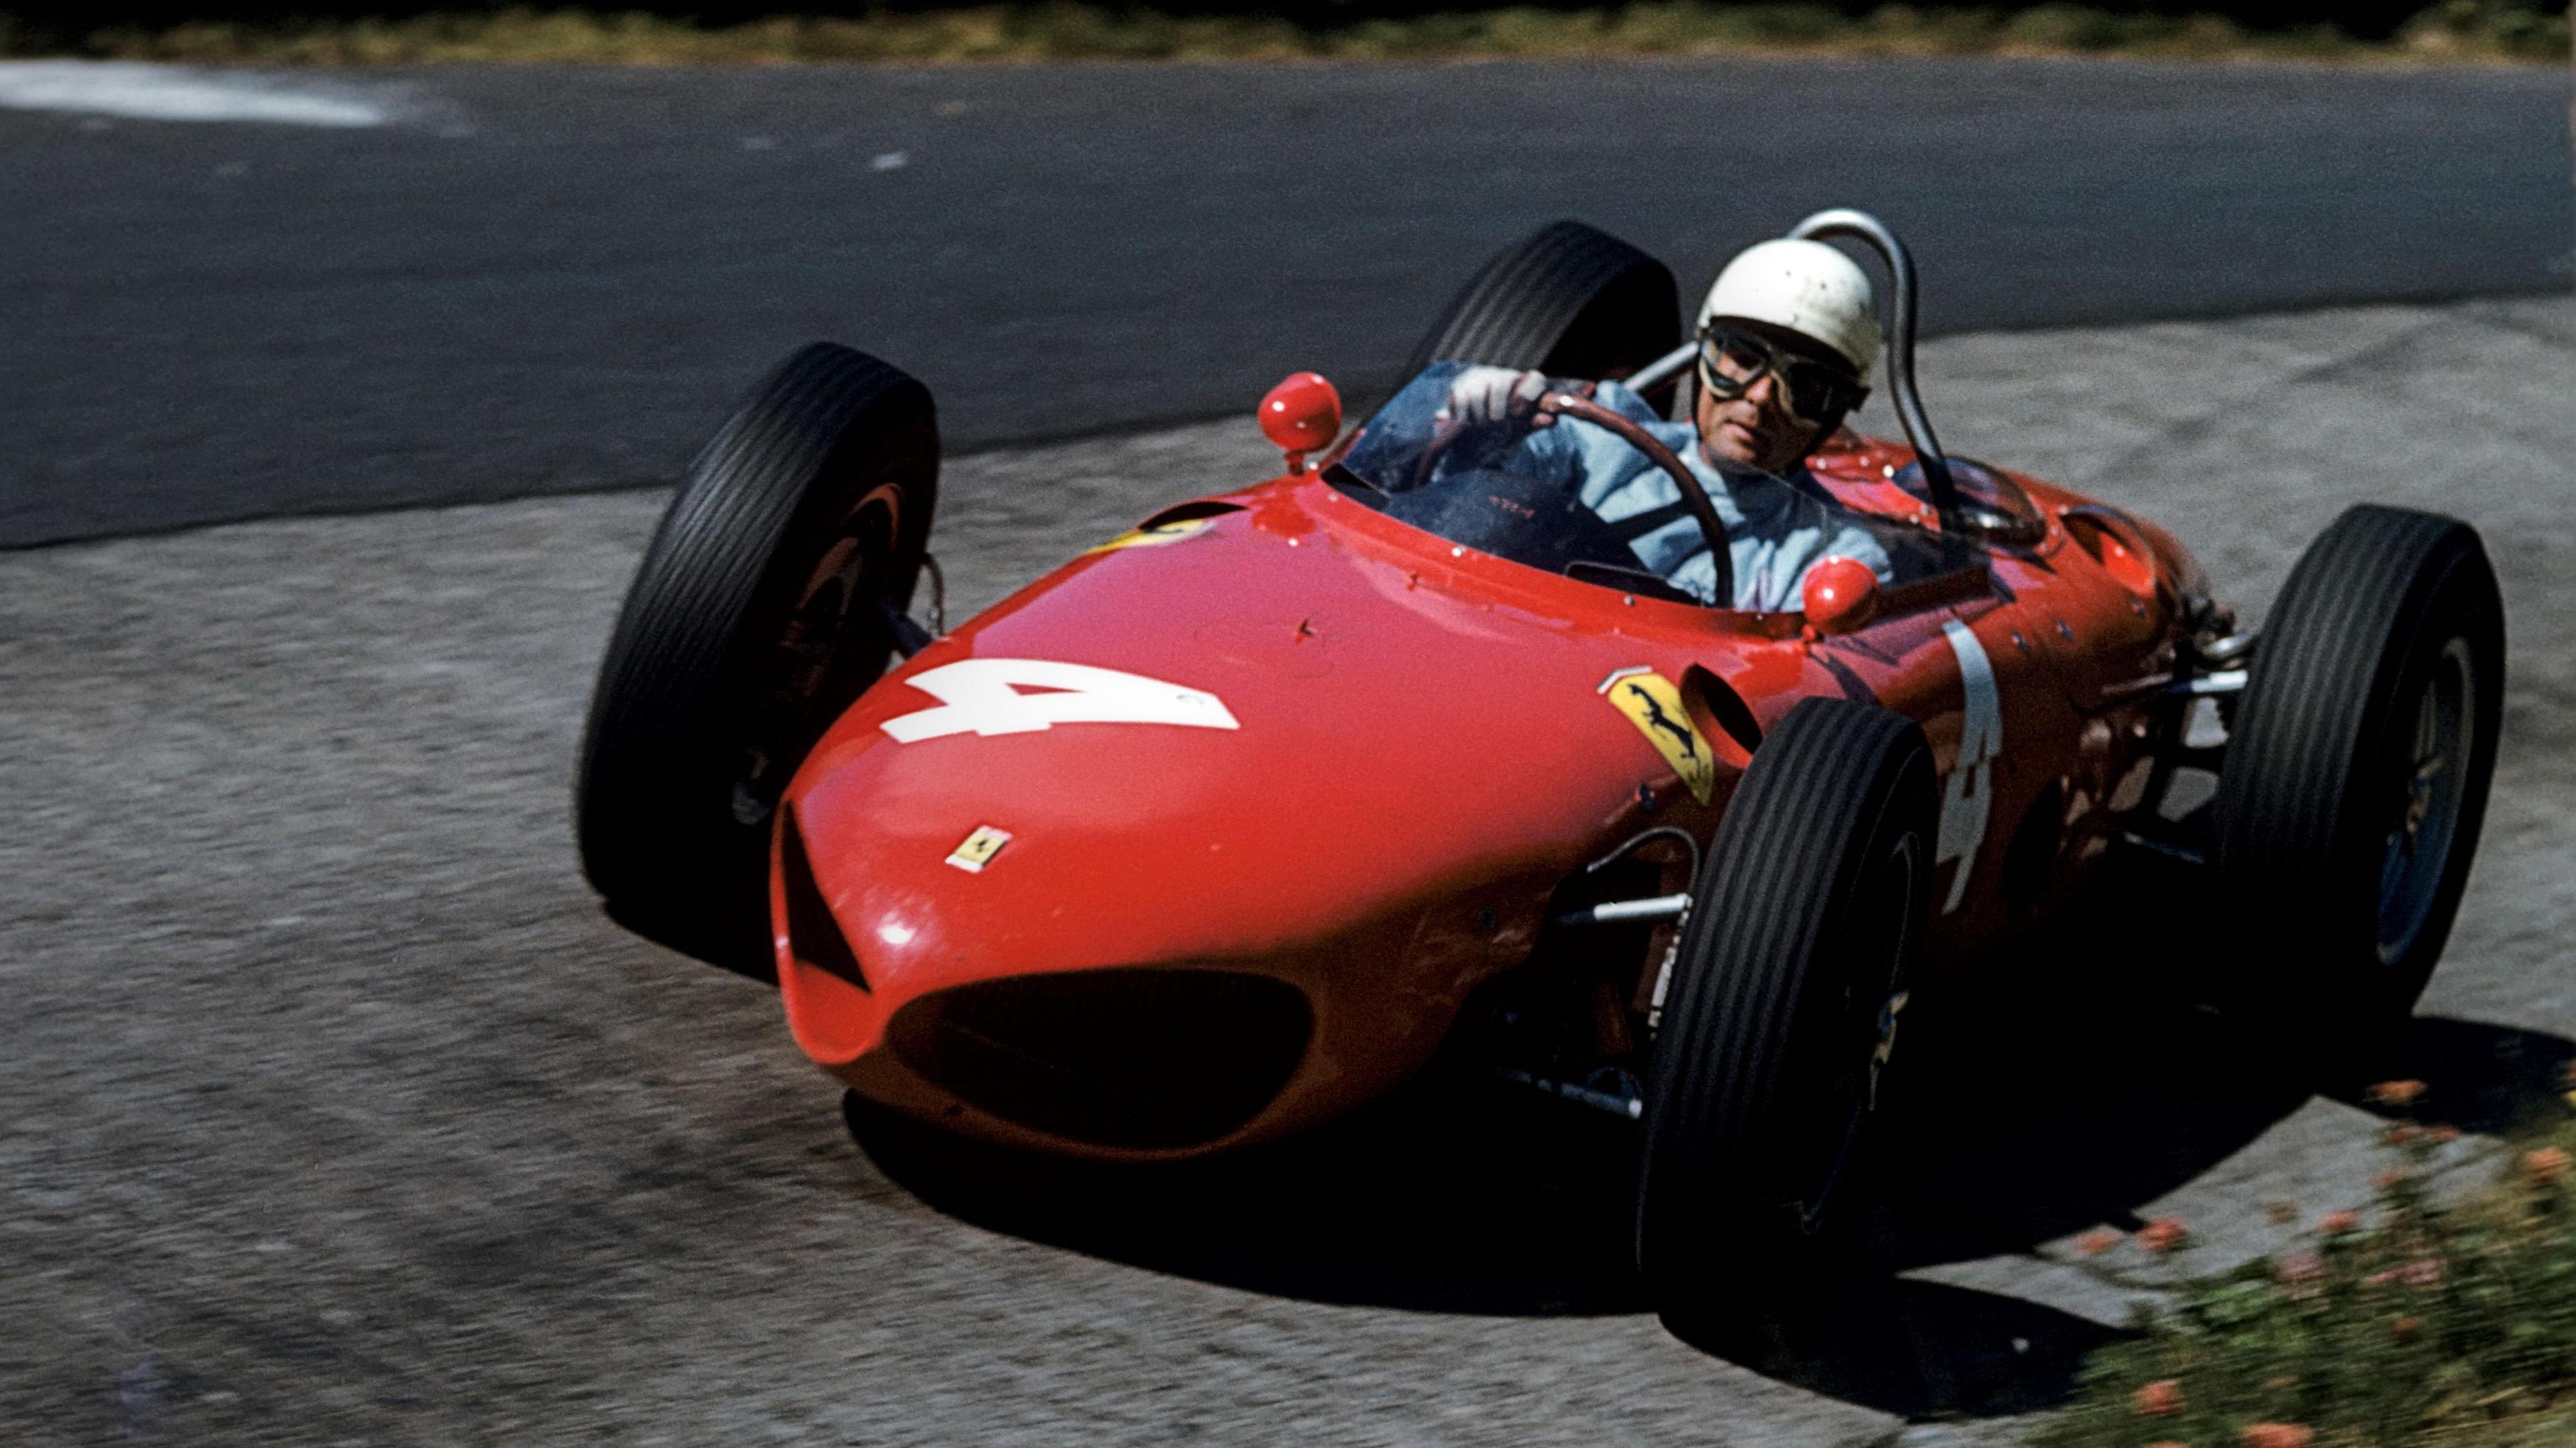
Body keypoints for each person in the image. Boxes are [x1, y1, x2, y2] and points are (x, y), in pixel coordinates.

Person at [1435, 238, 1893, 611]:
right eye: (1743, 359)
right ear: (1703, 357)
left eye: (1806, 387)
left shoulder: (1829, 558)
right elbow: (1458, 501)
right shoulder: (1602, 436)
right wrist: (1478, 423)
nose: (1759, 397)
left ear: (1836, 410)